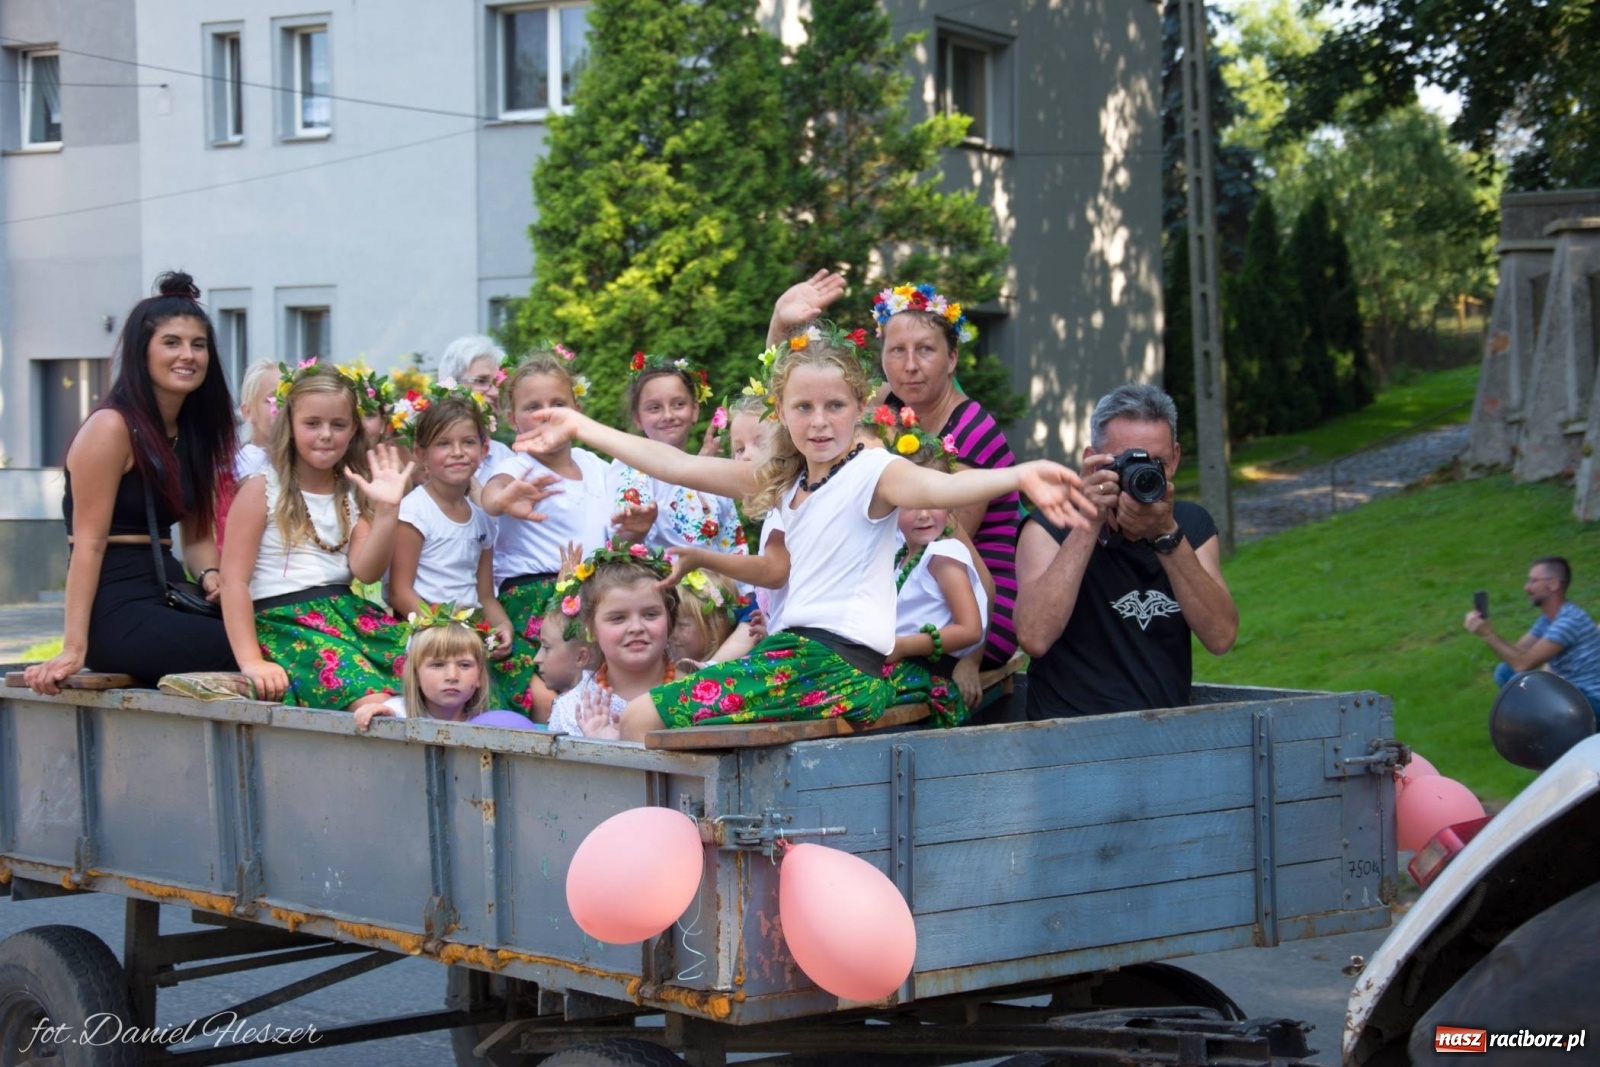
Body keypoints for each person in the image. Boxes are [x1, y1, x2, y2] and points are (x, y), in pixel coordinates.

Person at [516, 321, 1092, 743]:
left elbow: (937, 489)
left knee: (639, 718)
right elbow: (676, 464)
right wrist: (582, 424)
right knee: (651, 718)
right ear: (782, 412)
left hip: (832, 664)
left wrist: (1020, 474)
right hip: (793, 656)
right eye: (804, 407)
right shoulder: (788, 484)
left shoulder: (872, 473)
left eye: (835, 405)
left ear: (860, 406)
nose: (820, 422)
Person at [769, 274, 1021, 715]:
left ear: (952, 358)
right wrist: (781, 325)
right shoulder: (880, 412)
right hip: (907, 594)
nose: (910, 365)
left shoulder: (971, 428)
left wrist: (970, 656)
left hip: (968, 614)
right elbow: (796, 399)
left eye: (925, 350)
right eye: (896, 352)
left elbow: (944, 540)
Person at [26, 272, 239, 694]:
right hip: (118, 608)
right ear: (142, 353)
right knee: (249, 650)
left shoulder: (195, 432)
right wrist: (74, 647)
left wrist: (212, 575)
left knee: (277, 630)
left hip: (173, 594)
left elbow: (197, 540)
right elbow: (88, 544)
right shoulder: (112, 427)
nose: (188, 355)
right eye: (172, 343)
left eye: (198, 345)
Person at [1014, 383, 1238, 719]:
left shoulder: (1190, 526)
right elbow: (1034, 637)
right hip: (1065, 741)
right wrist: (1088, 523)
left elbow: (1221, 637)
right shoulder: (1050, 526)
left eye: (1155, 463)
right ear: (1092, 461)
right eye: (1125, 463)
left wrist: (1166, 535)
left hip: (1161, 737)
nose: (1141, 474)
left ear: (1175, 460)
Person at [219, 363, 412, 710]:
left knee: (427, 662)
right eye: (312, 423)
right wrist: (251, 661)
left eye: (338, 425)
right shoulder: (262, 488)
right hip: (285, 620)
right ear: (289, 426)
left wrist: (386, 511)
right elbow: (233, 582)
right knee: (365, 690)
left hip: (344, 613)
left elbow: (366, 571)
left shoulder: (350, 492)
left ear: (353, 429)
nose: (326, 434)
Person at [481, 355, 614, 719]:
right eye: (532, 406)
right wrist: (501, 500)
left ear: (576, 408)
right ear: (512, 419)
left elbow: (612, 527)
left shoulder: (595, 467)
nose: (546, 413)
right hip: (534, 604)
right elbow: (491, 495)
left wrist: (635, 527)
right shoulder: (516, 467)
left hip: (590, 596)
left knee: (604, 692)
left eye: (558, 404)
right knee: (547, 697)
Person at [389, 395, 517, 705]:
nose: (457, 453)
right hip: (426, 633)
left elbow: (485, 594)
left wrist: (503, 626)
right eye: (443, 444)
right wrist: (443, 631)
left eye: (468, 442)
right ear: (421, 454)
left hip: (469, 635)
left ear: (484, 450)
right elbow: (399, 591)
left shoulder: (482, 516)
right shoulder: (415, 511)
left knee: (516, 681)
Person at [881, 426, 987, 729]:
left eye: (933, 499)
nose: (923, 514)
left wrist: (903, 646)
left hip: (930, 670)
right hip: (900, 662)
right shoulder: (901, 555)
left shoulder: (944, 555)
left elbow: (970, 629)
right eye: (911, 502)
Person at [611, 353, 748, 558]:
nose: (668, 415)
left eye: (678, 404)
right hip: (661, 586)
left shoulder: (713, 475)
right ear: (638, 418)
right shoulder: (631, 466)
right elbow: (622, 546)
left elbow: (735, 548)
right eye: (654, 408)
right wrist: (634, 532)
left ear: (694, 410)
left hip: (719, 587)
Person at [546, 545, 680, 737]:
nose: (636, 627)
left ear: (670, 618)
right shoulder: (573, 710)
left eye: (650, 614)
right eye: (618, 618)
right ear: (591, 627)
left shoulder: (698, 690)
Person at [1466, 557, 1600, 717]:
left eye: (1533, 581)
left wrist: (1488, 635)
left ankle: (1543, 725)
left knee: (1517, 677)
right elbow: (1518, 652)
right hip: (1572, 692)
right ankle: (1536, 721)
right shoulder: (1548, 619)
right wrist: (1486, 628)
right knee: (1506, 672)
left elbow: (1523, 664)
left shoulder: (1569, 621)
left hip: (1591, 701)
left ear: (1553, 584)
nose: (1526, 587)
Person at [354, 609, 493, 730]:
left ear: (479, 676)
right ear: (415, 673)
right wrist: (374, 715)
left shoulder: (487, 724)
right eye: (437, 665)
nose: (452, 676)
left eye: (464, 665)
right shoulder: (396, 713)